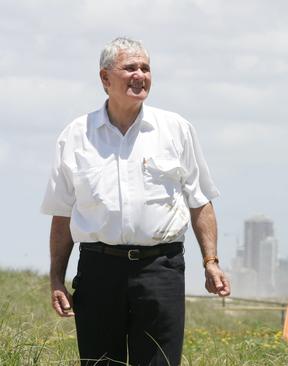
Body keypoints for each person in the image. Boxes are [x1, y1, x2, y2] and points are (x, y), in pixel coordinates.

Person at [41, 37, 230, 366]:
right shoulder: (75, 136)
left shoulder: (176, 129)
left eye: (145, 68)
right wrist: (57, 278)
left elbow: (200, 201)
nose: (140, 75)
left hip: (161, 270)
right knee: (101, 363)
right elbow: (62, 214)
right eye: (130, 68)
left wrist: (210, 261)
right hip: (99, 271)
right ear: (105, 78)